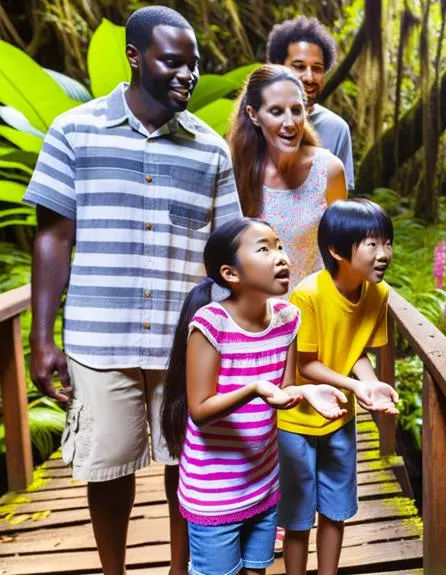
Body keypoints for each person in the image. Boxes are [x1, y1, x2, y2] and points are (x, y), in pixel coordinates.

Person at [22, 6, 240, 574]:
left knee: (186, 468)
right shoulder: (74, 130)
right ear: (135, 56)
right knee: (108, 467)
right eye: (173, 62)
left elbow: (227, 253)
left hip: (185, 340)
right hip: (100, 337)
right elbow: (53, 237)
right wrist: (41, 339)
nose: (187, 75)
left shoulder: (211, 148)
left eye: (194, 65)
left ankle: (179, 569)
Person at [160, 217, 344, 575]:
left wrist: (306, 390)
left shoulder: (288, 318)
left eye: (279, 246)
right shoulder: (211, 325)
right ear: (230, 273)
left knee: (257, 569)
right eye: (265, 249)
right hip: (213, 491)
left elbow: (285, 386)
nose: (281, 257)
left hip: (262, 482)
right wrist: (254, 388)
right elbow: (199, 409)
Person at [279, 198, 400, 575]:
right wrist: (355, 385)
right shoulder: (309, 294)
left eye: (387, 242)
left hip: (340, 417)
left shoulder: (378, 293)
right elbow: (306, 364)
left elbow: (355, 350)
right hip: (296, 421)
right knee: (298, 520)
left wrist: (371, 384)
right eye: (372, 244)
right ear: (336, 250)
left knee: (336, 510)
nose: (384, 254)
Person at [229, 64, 347, 289]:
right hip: (253, 314)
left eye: (296, 109)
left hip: (309, 311)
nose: (290, 122)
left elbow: (339, 256)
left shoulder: (328, 170)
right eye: (276, 111)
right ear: (253, 115)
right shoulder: (236, 170)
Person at [265, 17, 355, 190]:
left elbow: (338, 202)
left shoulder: (336, 128)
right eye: (299, 66)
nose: (309, 77)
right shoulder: (256, 119)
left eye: (317, 69)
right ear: (278, 65)